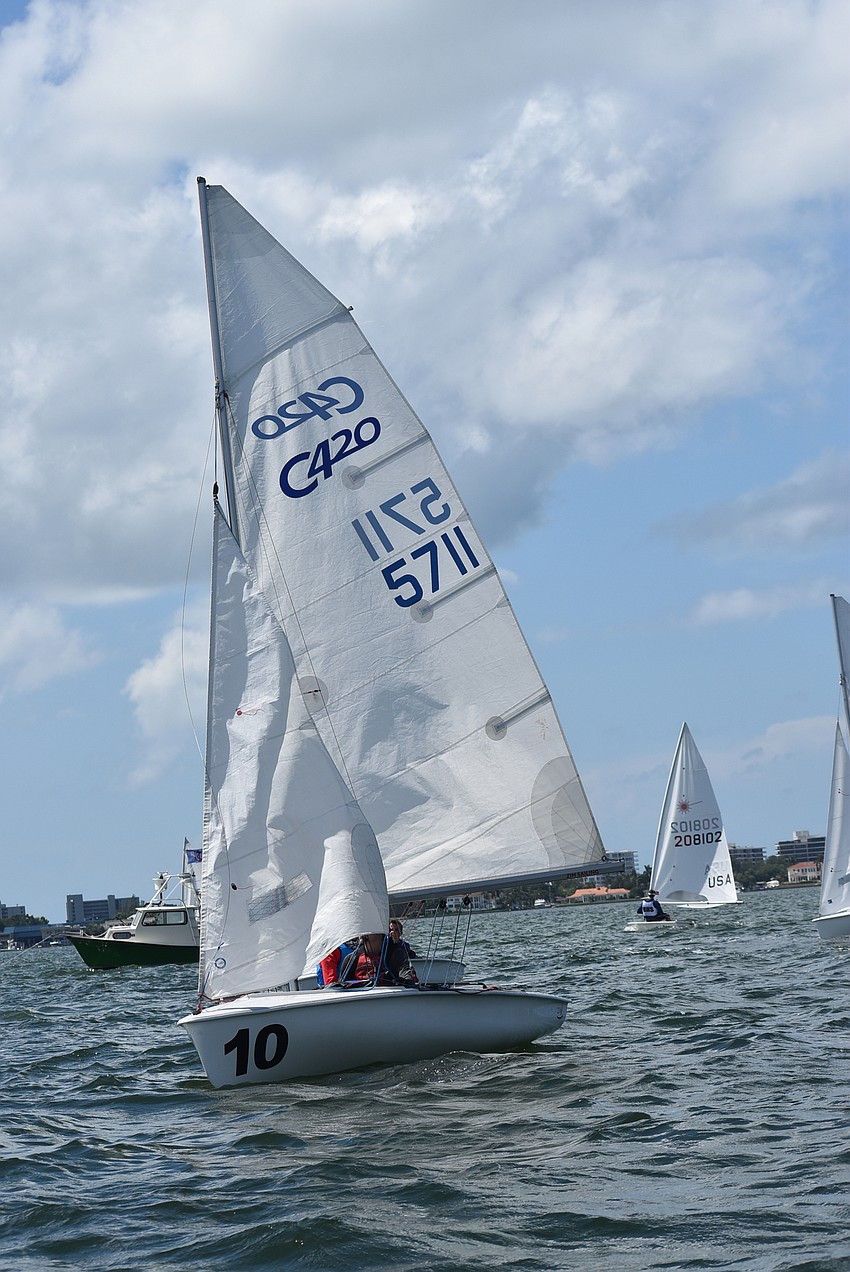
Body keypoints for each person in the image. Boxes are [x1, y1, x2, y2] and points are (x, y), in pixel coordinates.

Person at [386, 919, 418, 985]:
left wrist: (396, 942)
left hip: (402, 970)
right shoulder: (385, 945)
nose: (393, 932)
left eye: (396, 930)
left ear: (400, 933)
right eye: (391, 930)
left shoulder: (405, 945)